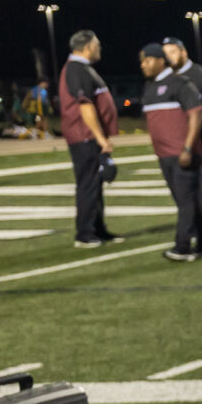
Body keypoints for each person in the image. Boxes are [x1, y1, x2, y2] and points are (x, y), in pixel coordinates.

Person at [139, 43, 202, 261]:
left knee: (185, 200)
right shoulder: (149, 87)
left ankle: (183, 247)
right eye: (142, 61)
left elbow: (197, 115)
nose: (143, 65)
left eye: (148, 60)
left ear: (161, 61)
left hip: (183, 153)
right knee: (184, 200)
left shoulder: (180, 83)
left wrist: (188, 147)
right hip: (164, 155)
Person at [58, 31, 119, 246]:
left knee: (96, 183)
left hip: (87, 135)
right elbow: (85, 105)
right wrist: (100, 137)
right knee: (88, 184)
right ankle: (84, 234)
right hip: (84, 136)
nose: (99, 48)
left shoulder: (82, 68)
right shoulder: (77, 68)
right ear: (87, 47)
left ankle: (98, 228)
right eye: (97, 44)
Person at [162, 37, 202, 233]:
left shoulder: (200, 76)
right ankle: (196, 222)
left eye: (172, 52)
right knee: (185, 184)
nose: (168, 57)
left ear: (183, 52)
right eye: (165, 53)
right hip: (180, 140)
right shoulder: (168, 78)